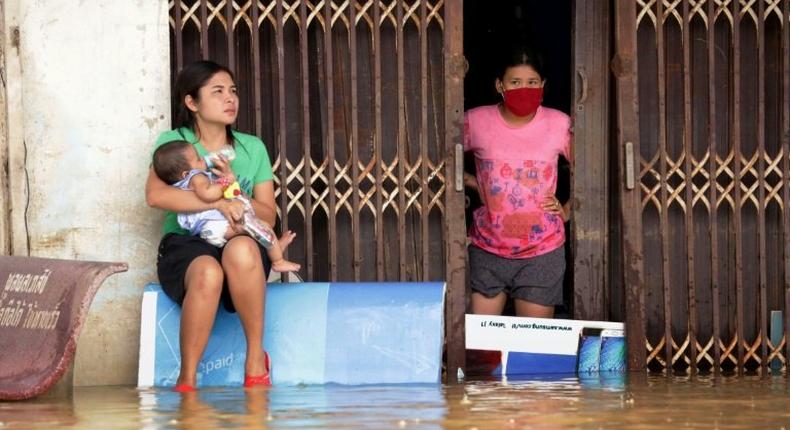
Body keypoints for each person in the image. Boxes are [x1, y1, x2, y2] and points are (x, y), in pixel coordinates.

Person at [146, 60, 289, 391]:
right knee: (207, 272)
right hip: (187, 243)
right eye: (218, 91)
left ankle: (255, 359)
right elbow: (156, 196)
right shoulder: (174, 144)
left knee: (241, 248)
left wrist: (235, 189)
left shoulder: (252, 148)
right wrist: (218, 202)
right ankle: (188, 377)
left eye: (233, 91)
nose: (231, 99)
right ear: (192, 103)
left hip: (241, 240)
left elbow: (268, 216)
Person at [464, 46, 572, 318]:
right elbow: (441, 161)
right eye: (515, 82)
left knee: (531, 343)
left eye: (532, 82)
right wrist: (474, 183)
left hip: (542, 250)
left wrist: (567, 211)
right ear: (499, 85)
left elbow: (589, 170)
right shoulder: (475, 121)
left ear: (543, 85)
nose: (524, 88)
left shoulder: (559, 123)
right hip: (487, 247)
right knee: (482, 349)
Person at [152, 140, 300, 273]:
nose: (203, 159)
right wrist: (225, 182)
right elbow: (208, 194)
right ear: (186, 173)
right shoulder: (196, 177)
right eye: (198, 159)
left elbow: (226, 194)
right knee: (258, 228)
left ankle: (274, 251)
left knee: (260, 227)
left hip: (212, 228)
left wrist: (229, 184)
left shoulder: (186, 182)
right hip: (215, 227)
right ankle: (277, 260)